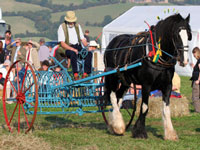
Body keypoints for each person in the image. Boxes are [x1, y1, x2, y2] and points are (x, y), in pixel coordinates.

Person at [57, 11, 91, 80]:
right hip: (66, 47)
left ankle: (85, 74)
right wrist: (72, 49)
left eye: (72, 21)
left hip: (77, 46)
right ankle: (75, 74)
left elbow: (82, 39)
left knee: (89, 54)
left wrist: (87, 46)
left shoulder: (77, 26)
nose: (71, 23)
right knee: (73, 53)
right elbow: (62, 43)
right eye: (70, 21)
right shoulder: (62, 27)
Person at [190, 47, 200, 113]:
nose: (193, 55)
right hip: (197, 80)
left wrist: (198, 80)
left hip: (197, 81)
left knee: (195, 96)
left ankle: (197, 110)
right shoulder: (198, 60)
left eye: (194, 53)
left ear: (197, 52)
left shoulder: (199, 60)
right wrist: (194, 67)